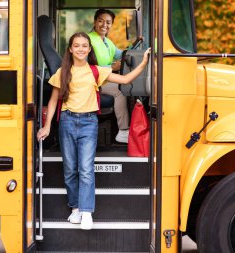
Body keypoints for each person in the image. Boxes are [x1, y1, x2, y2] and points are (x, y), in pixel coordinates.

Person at [37, 32, 150, 230]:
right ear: (70, 49)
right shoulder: (63, 72)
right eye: (76, 45)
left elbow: (124, 80)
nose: (80, 49)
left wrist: (143, 62)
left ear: (89, 49)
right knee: (70, 169)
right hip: (67, 122)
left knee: (86, 169)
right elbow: (53, 100)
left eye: (84, 46)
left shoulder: (97, 71)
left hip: (89, 123)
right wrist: (46, 126)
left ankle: (87, 212)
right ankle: (75, 209)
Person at [88, 9, 130, 143]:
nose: (104, 25)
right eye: (100, 21)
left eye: (108, 22)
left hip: (103, 78)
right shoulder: (88, 39)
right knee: (120, 91)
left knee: (129, 86)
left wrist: (137, 50)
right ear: (95, 22)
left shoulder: (107, 42)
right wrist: (111, 67)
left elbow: (121, 55)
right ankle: (123, 131)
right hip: (92, 81)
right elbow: (86, 67)